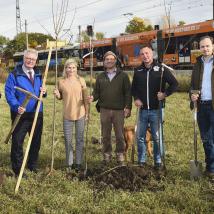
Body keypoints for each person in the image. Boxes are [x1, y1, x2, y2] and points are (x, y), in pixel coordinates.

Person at [131, 45, 178, 169]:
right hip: (142, 111)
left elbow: (174, 84)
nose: (145, 56)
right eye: (142, 54)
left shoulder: (161, 69)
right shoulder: (138, 71)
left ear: (152, 54)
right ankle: (141, 160)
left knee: (157, 138)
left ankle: (158, 161)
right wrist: (136, 98)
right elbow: (133, 88)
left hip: (157, 109)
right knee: (140, 137)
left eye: (147, 53)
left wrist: (165, 94)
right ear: (140, 56)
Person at [5, 48, 46, 176]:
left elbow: (41, 92)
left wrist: (44, 92)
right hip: (21, 113)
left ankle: (32, 165)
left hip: (37, 112)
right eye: (28, 58)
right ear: (24, 59)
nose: (30, 61)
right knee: (17, 141)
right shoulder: (15, 74)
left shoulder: (38, 73)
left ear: (36, 61)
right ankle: (18, 168)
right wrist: (16, 106)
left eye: (33, 59)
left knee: (36, 140)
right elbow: (9, 93)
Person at [88, 51, 132, 165]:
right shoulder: (100, 77)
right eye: (107, 59)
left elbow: (128, 93)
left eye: (111, 59)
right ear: (104, 62)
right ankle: (106, 155)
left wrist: (128, 107)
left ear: (115, 61)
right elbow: (96, 92)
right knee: (105, 135)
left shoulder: (123, 76)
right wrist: (92, 97)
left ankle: (120, 155)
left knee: (119, 135)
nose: (109, 61)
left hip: (119, 110)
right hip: (104, 110)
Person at [54, 59, 88, 171]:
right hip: (67, 115)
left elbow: (85, 98)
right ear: (65, 68)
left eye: (73, 68)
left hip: (80, 114)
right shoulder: (61, 81)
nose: (71, 70)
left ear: (76, 69)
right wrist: (57, 94)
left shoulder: (81, 80)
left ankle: (78, 163)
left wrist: (87, 112)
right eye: (69, 67)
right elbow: (60, 97)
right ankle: (69, 163)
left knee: (79, 139)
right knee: (68, 140)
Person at [190, 35, 214, 180]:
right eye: (202, 46)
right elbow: (193, 85)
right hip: (201, 106)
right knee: (206, 139)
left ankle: (211, 168)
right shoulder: (197, 63)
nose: (205, 49)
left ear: (213, 46)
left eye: (207, 46)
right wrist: (192, 95)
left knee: (212, 139)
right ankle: (211, 168)